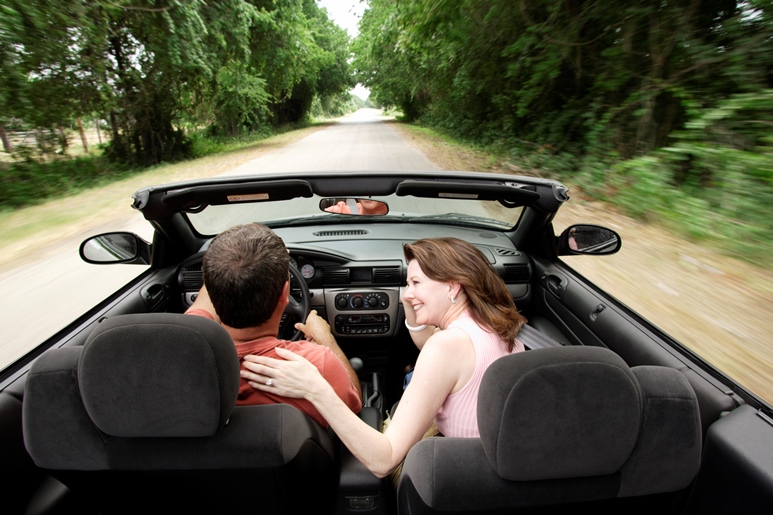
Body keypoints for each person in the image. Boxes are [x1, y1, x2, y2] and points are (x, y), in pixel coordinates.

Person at [240, 237, 526, 479]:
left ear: (452, 286)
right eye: (406, 283)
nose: (407, 292)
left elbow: (383, 462)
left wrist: (314, 388)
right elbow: (432, 346)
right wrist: (413, 308)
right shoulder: (494, 327)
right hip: (493, 469)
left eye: (415, 283)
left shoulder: (447, 346)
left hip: (457, 481)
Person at [185, 222, 362, 428]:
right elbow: (353, 406)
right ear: (284, 294)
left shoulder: (188, 349)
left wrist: (248, 264)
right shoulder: (315, 364)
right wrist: (325, 339)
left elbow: (209, 290)